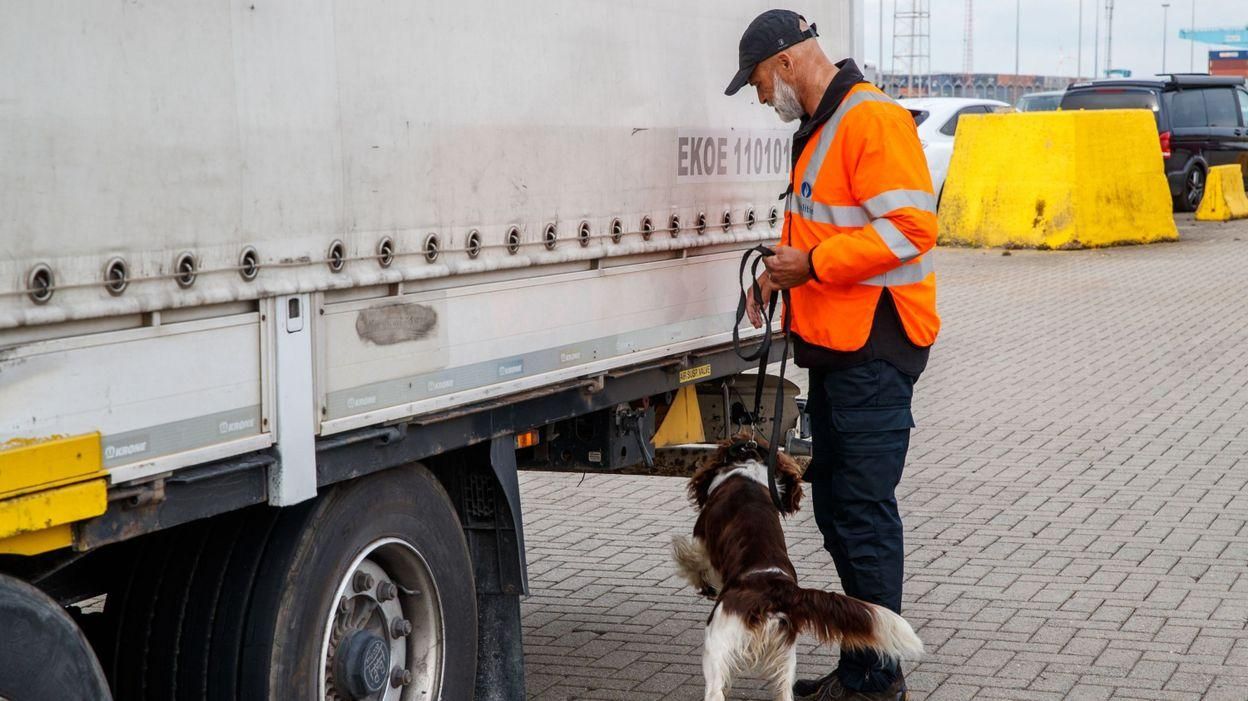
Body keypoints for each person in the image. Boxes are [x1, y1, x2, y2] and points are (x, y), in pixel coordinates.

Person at [727, 9, 940, 701]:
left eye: (759, 81)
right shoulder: (820, 128)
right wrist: (778, 274)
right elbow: (820, 232)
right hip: (838, 353)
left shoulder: (869, 119)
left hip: (875, 350)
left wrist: (812, 262)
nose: (761, 97)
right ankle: (863, 666)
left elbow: (912, 228)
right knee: (838, 509)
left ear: (787, 62)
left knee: (862, 511)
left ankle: (879, 677)